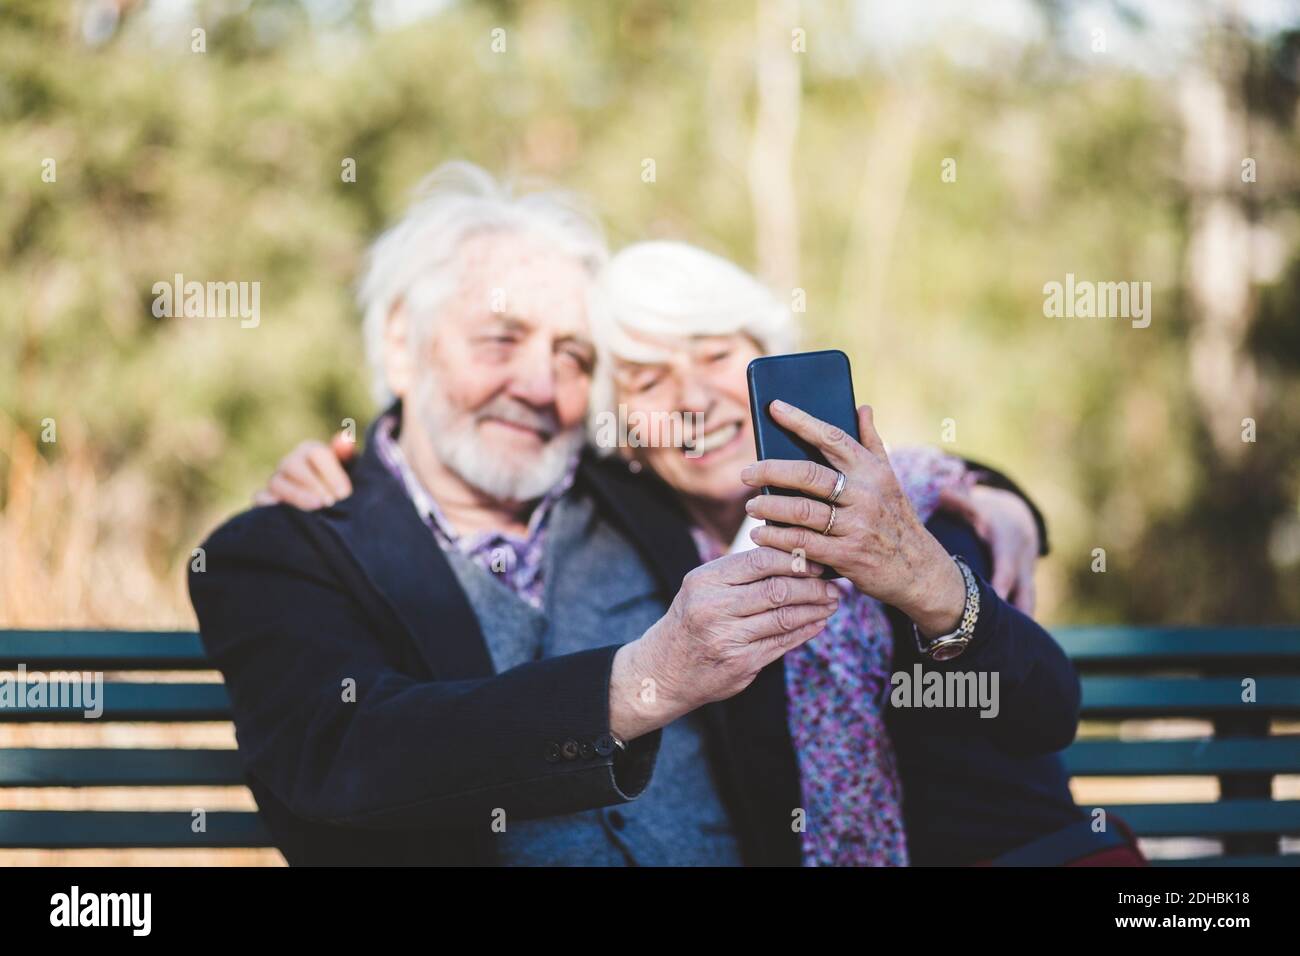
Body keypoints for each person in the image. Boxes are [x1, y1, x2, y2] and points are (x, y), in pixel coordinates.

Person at [242, 166, 1135, 864]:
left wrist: (980, 497)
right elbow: (343, 746)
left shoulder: (867, 507)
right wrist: (643, 681)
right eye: (500, 340)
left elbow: (1037, 704)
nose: (536, 386)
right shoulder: (309, 542)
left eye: (569, 356)